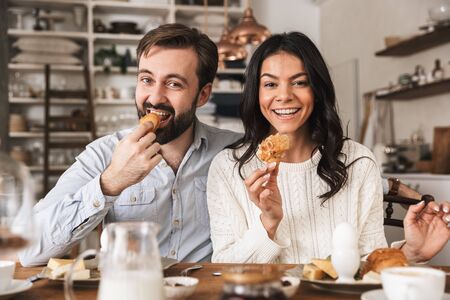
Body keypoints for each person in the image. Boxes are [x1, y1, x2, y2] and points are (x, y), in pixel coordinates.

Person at [206, 31, 450, 264]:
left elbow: (368, 266)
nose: (284, 95)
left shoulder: (358, 162)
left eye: (299, 82)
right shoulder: (228, 168)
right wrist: (268, 222)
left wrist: (412, 253)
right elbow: (223, 269)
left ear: (317, 90)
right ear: (255, 92)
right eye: (270, 85)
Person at [18, 24, 241, 266]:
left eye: (174, 84)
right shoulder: (102, 154)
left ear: (202, 95)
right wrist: (110, 182)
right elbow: (29, 251)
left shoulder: (234, 151)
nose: (155, 97)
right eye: (146, 80)